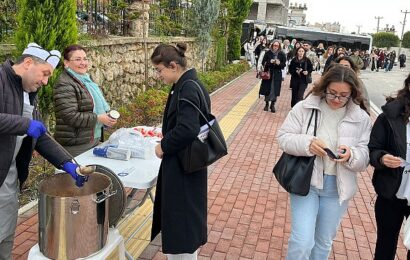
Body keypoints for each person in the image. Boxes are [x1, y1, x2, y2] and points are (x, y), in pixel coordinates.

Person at [0, 42, 85, 260]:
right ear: (28, 63)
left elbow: (41, 136)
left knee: (6, 236)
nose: (45, 82)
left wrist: (68, 163)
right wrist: (23, 124)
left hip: (8, 179)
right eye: (45, 74)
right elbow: (27, 127)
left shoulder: (29, 92)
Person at [277, 64, 371, 260]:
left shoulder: (361, 118)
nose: (337, 99)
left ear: (352, 92)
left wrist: (351, 155)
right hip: (306, 183)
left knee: (323, 243)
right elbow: (284, 137)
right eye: (332, 93)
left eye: (343, 95)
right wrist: (307, 144)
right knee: (302, 241)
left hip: (338, 188)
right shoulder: (305, 107)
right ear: (324, 87)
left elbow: (365, 156)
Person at [150, 43, 208, 259]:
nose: (159, 75)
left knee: (182, 225)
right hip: (187, 164)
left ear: (173, 66)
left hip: (184, 167)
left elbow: (188, 128)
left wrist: (163, 146)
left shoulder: (188, 87)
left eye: (159, 70)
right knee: (183, 224)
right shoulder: (187, 83)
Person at [368, 73, 410, 260]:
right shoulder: (390, 115)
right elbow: (373, 148)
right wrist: (382, 158)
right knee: (386, 244)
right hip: (392, 192)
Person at [53, 44, 117, 157]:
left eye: (85, 58)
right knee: (76, 174)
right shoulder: (64, 83)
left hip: (92, 138)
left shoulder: (86, 80)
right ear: (66, 63)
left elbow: (91, 106)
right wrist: (98, 118)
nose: (83, 63)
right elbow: (70, 116)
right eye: (78, 59)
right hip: (76, 144)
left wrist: (107, 118)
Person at [259, 40, 286, 112]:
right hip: (268, 73)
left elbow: (284, 65)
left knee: (275, 89)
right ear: (272, 45)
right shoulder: (268, 52)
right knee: (267, 88)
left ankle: (273, 104)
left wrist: (279, 63)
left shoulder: (282, 54)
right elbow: (263, 62)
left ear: (279, 46)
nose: (275, 47)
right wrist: (269, 62)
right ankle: (267, 104)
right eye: (274, 45)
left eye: (277, 46)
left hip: (277, 74)